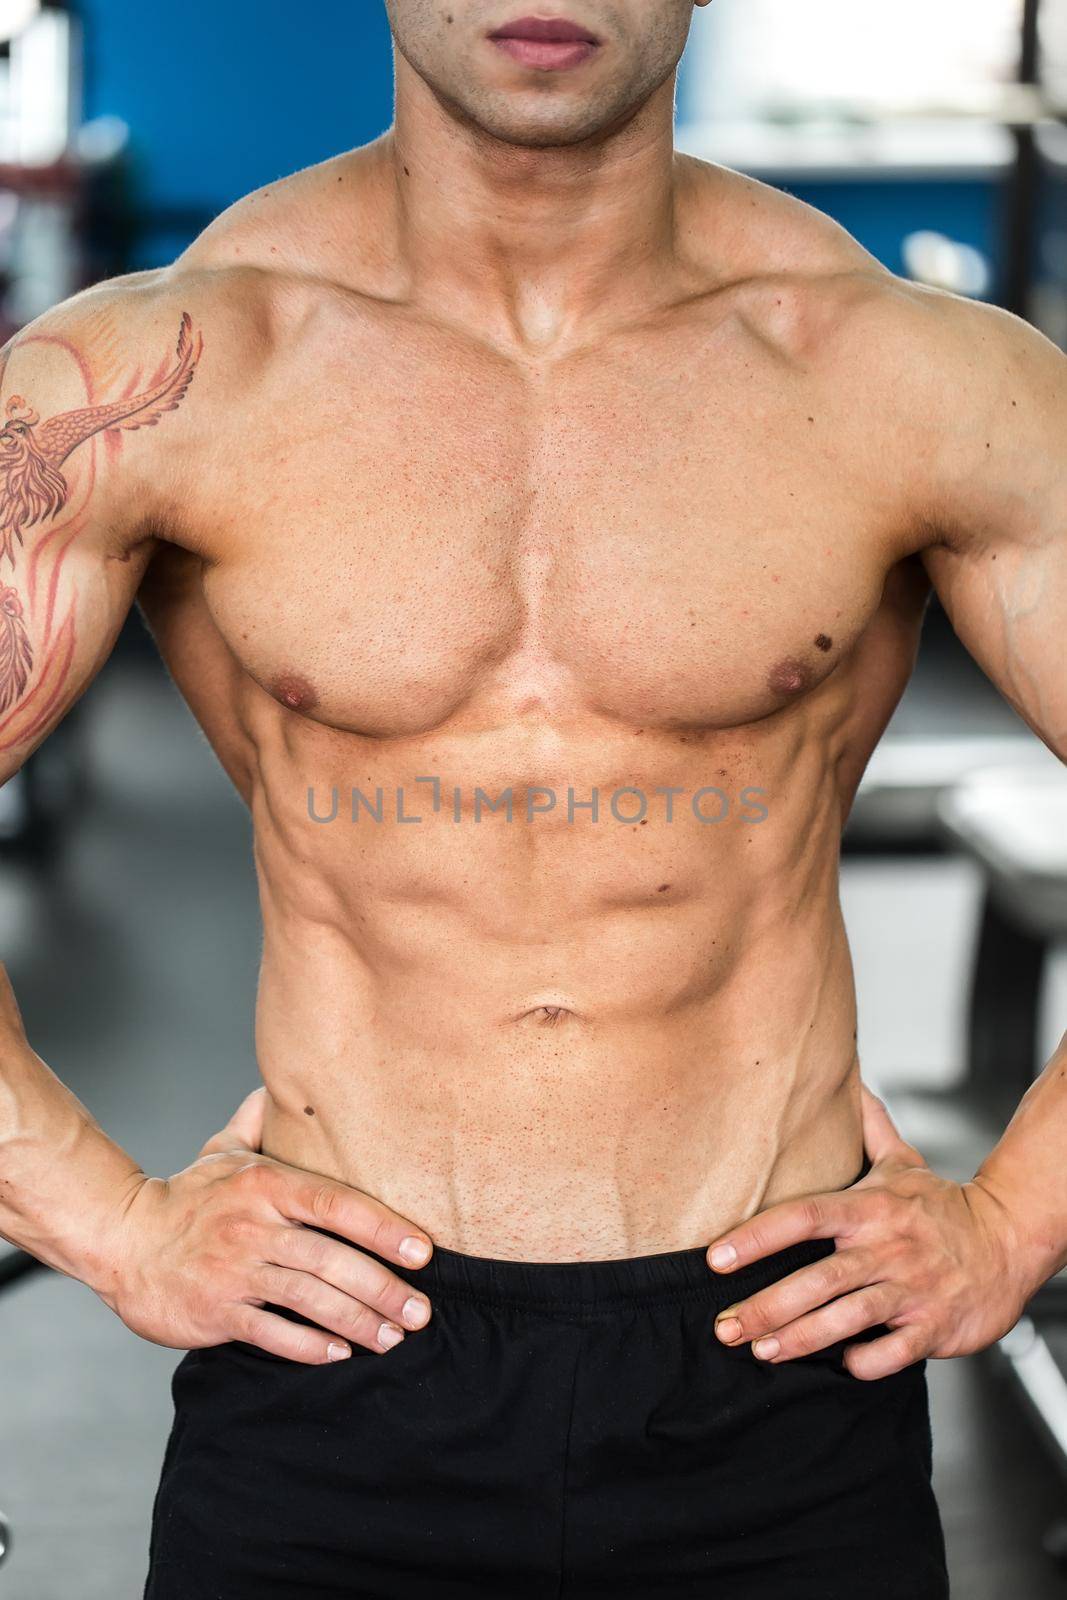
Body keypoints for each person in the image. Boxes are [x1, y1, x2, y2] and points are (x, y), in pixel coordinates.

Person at [0, 2, 1063, 1594]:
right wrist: (113, 1225)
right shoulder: (166, 376)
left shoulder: (910, 375)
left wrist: (1017, 1222)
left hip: (781, 1371)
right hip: (332, 1370)